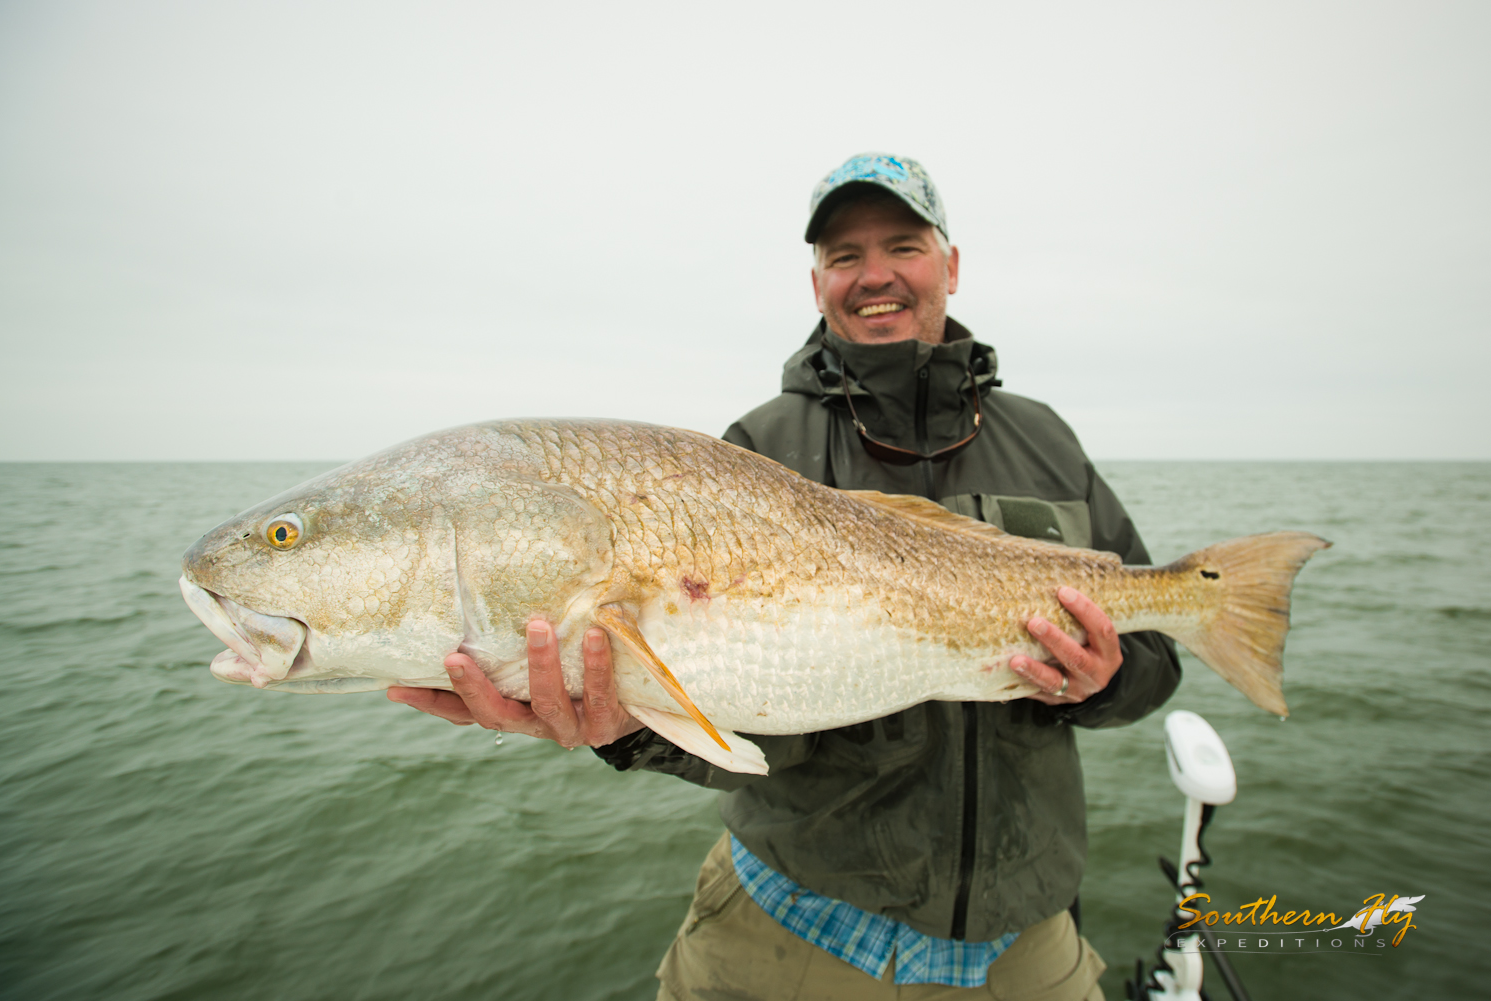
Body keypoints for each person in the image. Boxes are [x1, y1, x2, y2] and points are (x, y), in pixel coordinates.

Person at [388, 153, 1181, 1000]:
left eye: (903, 245)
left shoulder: (1048, 437)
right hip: (794, 929)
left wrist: (1101, 679)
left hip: (1026, 940)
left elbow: (1157, 658)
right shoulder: (752, 452)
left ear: (951, 264)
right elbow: (759, 724)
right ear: (817, 285)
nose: (874, 274)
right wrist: (623, 726)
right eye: (844, 256)